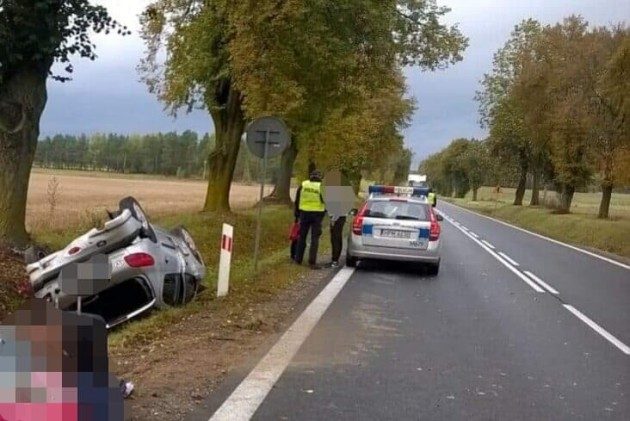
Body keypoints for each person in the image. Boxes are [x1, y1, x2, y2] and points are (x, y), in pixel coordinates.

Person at [294, 169, 326, 269]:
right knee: (314, 238)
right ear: (320, 177)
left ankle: (298, 260)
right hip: (317, 215)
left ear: (310, 176)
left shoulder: (303, 185)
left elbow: (297, 200)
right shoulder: (322, 187)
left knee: (302, 236)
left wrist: (297, 215)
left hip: (304, 213)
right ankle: (312, 262)